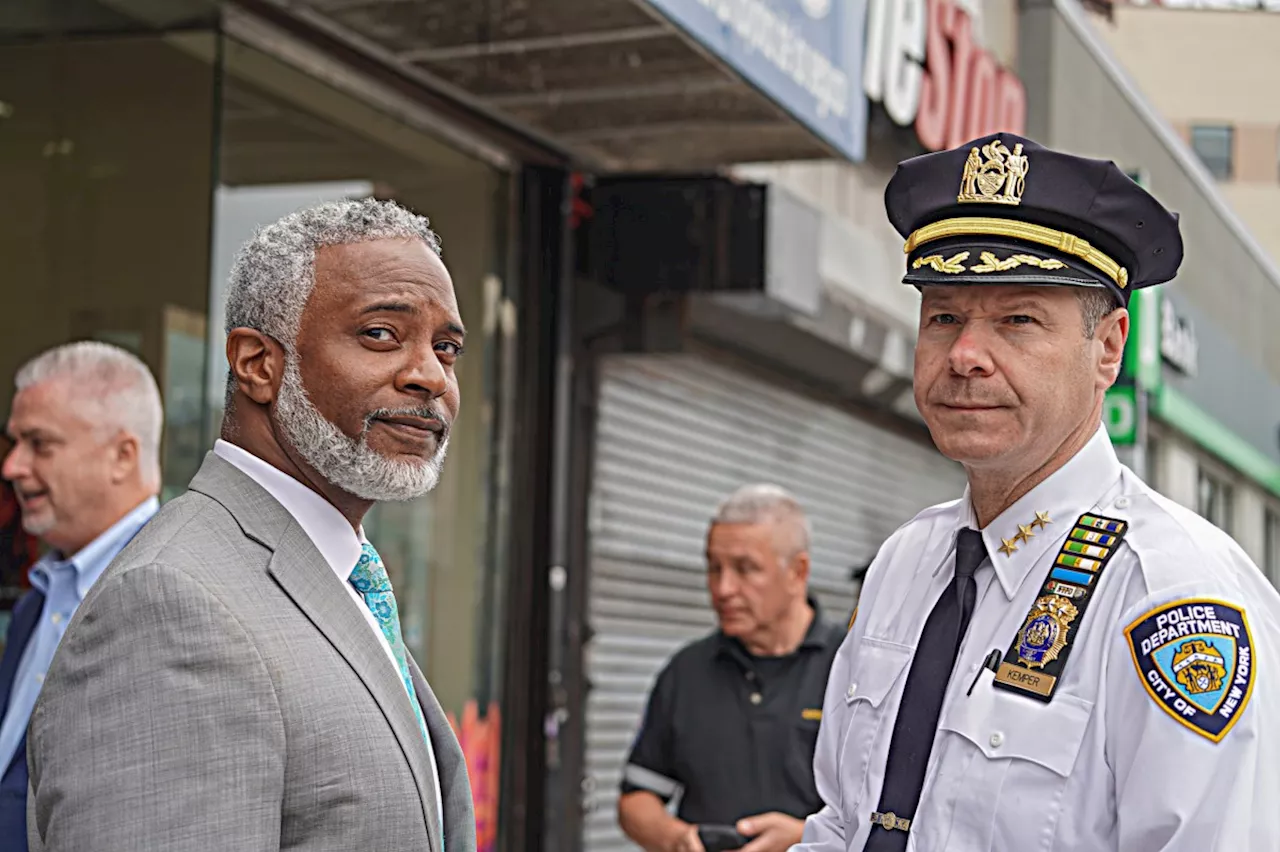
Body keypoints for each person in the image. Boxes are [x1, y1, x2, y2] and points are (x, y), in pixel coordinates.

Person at [796, 133, 1280, 852]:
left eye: (1017, 320)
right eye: (945, 317)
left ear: (1109, 347)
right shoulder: (906, 563)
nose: (965, 356)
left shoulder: (1171, 596)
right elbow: (840, 823)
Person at [27, 199, 475, 852]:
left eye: (447, 348)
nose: (429, 376)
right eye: (380, 334)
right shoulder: (169, 604)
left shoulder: (333, 573)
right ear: (258, 365)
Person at [0, 342, 162, 852]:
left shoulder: (172, 596)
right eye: (13, 443)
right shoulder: (37, 600)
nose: (12, 467)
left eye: (39, 444)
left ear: (122, 456)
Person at [619, 484, 844, 852]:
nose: (723, 588)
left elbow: (896, 814)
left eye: (745, 569)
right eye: (714, 567)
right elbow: (636, 798)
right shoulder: (687, 670)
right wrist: (676, 839)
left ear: (797, 572)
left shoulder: (855, 670)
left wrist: (807, 838)